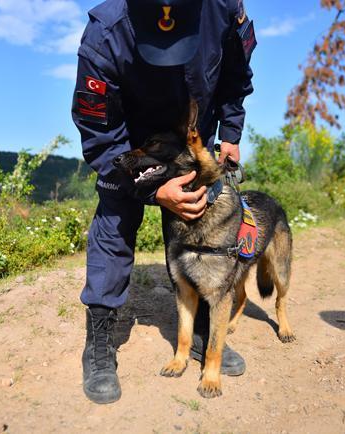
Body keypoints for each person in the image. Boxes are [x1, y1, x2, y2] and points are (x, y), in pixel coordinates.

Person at [71, 0, 256, 404]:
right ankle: (100, 337)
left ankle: (203, 331)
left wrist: (232, 131)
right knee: (115, 222)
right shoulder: (106, 32)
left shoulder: (224, 7)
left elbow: (236, 72)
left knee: (201, 220)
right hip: (130, 142)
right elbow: (98, 130)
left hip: (192, 133)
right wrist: (152, 189)